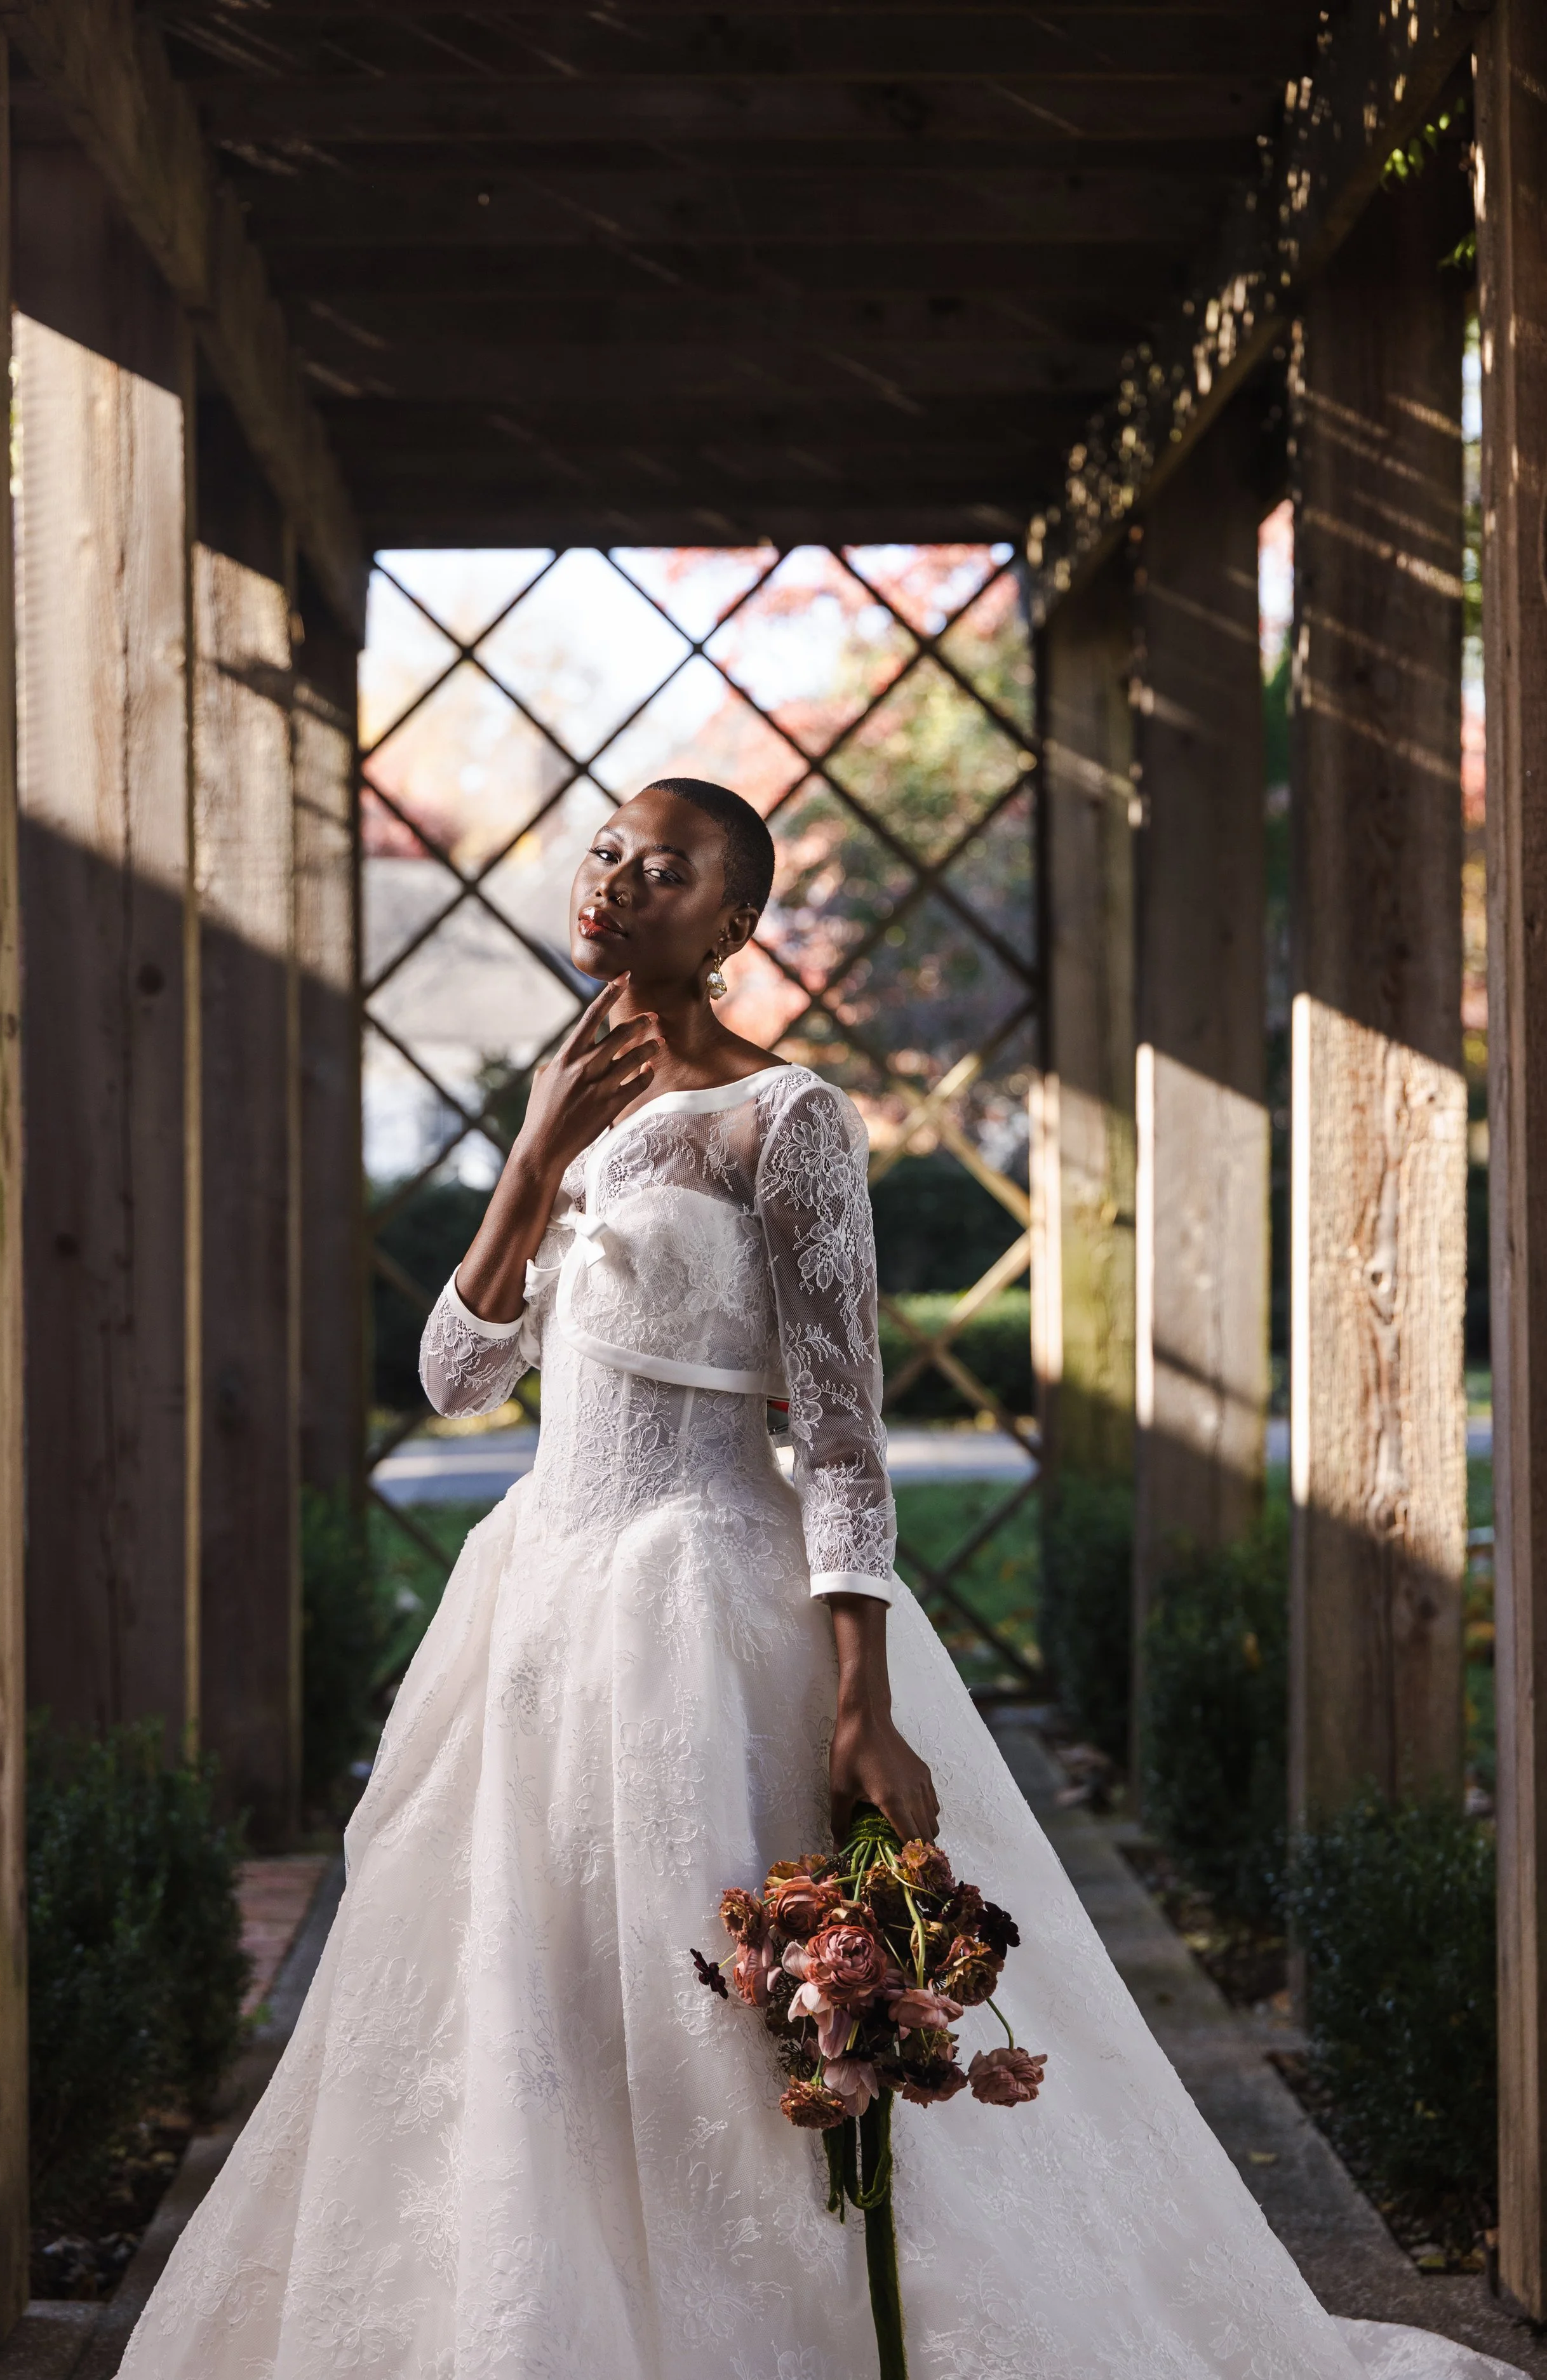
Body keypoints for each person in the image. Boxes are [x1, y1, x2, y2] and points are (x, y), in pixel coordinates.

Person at [119, 777, 1522, 2379]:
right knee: (534, 1996)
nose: (615, 877)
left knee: (721, 2011)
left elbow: (844, 1431)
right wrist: (530, 1152)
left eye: (663, 866)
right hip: (536, 1610)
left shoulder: (785, 1120)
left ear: (728, 923)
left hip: (704, 1603)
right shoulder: (568, 1105)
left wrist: (860, 1697)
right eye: (603, 850)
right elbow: (453, 1379)